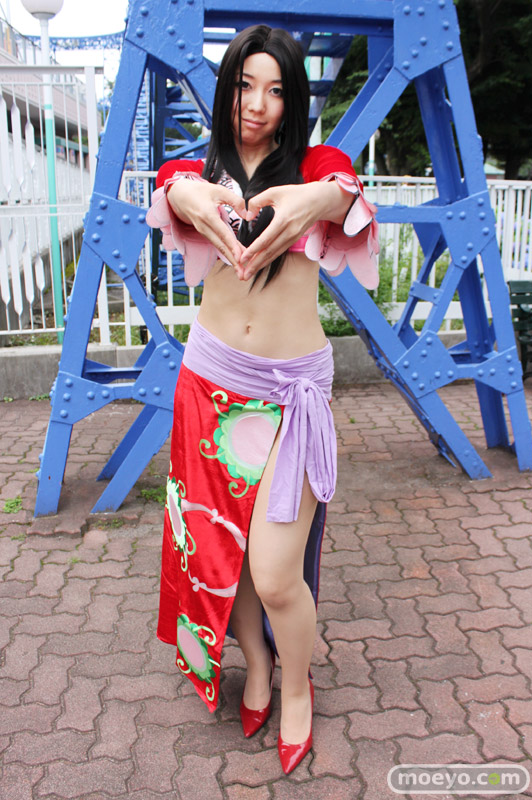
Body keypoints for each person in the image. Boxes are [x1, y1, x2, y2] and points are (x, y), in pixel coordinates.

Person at [146, 24, 379, 775]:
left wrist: (312, 201)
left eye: (276, 90)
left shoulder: (314, 165)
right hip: (208, 382)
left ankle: (298, 687)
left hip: (290, 395)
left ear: (293, 100)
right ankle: (257, 666)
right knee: (227, 552)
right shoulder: (203, 169)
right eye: (245, 85)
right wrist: (187, 192)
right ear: (226, 90)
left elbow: (344, 191)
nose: (257, 104)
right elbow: (172, 183)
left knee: (275, 571)